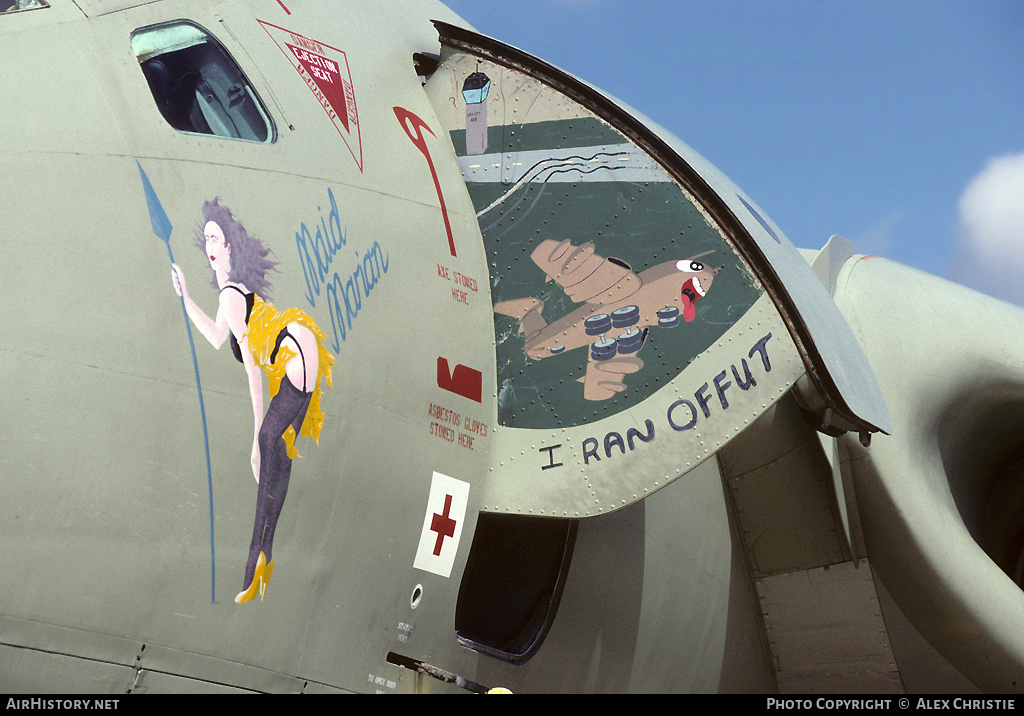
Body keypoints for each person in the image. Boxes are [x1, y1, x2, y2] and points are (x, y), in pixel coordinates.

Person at [171, 198, 334, 604]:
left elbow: (252, 370)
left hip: (292, 350)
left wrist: (255, 435)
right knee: (280, 452)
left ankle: (255, 564)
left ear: (229, 247)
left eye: (216, 237)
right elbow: (215, 336)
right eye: (206, 236)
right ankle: (263, 556)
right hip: (300, 344)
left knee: (268, 445)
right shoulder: (233, 291)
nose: (209, 243)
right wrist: (186, 296)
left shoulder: (230, 294)